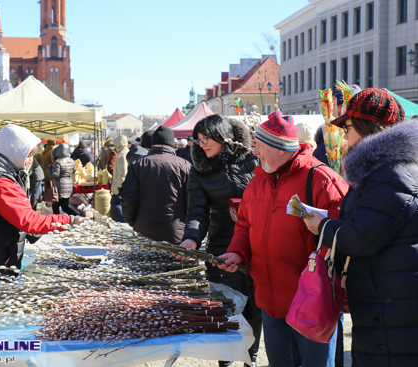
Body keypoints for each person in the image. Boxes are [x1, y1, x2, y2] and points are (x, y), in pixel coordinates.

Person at [218, 111, 348, 367]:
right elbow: (245, 224)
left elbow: (343, 237)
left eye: (260, 146)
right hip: (270, 302)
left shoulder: (322, 180)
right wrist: (238, 252)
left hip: (312, 302)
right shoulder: (258, 181)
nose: (256, 153)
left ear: (280, 149)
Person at [303, 88, 418, 367]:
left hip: (391, 300)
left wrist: (323, 226)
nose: (344, 134)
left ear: (369, 127)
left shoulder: (390, 172)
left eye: (349, 127)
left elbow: (360, 237)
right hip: (387, 292)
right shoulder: (383, 169)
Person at [179, 115, 261, 367]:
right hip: (221, 246)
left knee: (255, 308)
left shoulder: (253, 160)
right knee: (225, 308)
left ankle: (251, 357)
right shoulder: (199, 169)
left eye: (206, 139)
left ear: (223, 137)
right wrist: (192, 238)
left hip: (257, 244)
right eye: (198, 140)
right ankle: (225, 361)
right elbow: (197, 211)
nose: (202, 144)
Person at [0, 125, 85, 288]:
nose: (30, 161)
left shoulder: (3, 174)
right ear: (13, 151)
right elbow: (29, 221)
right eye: (28, 155)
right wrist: (70, 221)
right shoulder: (0, 183)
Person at [122, 125, 191, 243]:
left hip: (144, 230)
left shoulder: (138, 164)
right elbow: (191, 200)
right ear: (172, 145)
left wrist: (133, 221)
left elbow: (128, 198)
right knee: (175, 261)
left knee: (145, 261)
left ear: (152, 145)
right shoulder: (185, 165)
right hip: (176, 231)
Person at [49, 143, 79, 216]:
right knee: (65, 206)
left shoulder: (58, 162)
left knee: (56, 207)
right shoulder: (71, 161)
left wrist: (50, 170)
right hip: (68, 185)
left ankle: (57, 222)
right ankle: (77, 216)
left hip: (59, 186)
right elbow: (74, 170)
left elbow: (55, 175)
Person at [110, 135, 129, 222]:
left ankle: (124, 222)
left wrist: (119, 186)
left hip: (120, 186)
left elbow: (122, 173)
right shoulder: (126, 152)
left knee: (115, 203)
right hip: (123, 185)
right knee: (120, 205)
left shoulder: (121, 155)